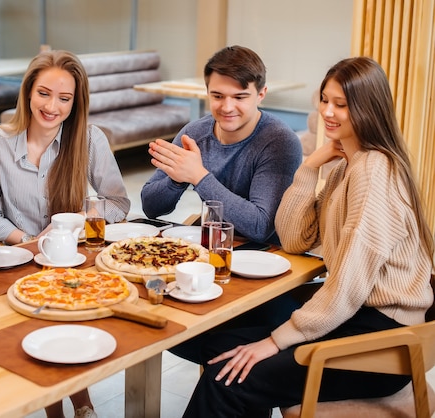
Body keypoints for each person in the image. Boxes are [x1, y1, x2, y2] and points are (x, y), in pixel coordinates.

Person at [182, 56, 435, 417]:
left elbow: (347, 287)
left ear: (368, 108)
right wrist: (308, 168)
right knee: (223, 346)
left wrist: (275, 341)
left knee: (227, 378)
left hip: (381, 344)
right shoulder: (346, 164)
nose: (328, 112)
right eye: (325, 100)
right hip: (355, 320)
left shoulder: (374, 172)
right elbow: (295, 239)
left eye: (341, 104)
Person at [0, 50, 130, 418]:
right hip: (19, 261)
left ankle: (79, 405)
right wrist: (28, 241)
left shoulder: (89, 139)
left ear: (75, 102)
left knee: (60, 315)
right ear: (28, 93)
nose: (52, 106)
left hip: (74, 262)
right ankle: (77, 407)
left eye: (64, 98)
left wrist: (80, 219)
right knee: (37, 319)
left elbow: (118, 203)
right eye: (44, 93)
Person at [140, 45, 302, 244]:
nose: (227, 107)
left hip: (263, 254)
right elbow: (150, 207)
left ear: (261, 94)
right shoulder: (194, 134)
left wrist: (198, 176)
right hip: (209, 243)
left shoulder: (279, 141)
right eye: (217, 96)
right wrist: (177, 179)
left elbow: (261, 227)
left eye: (239, 97)